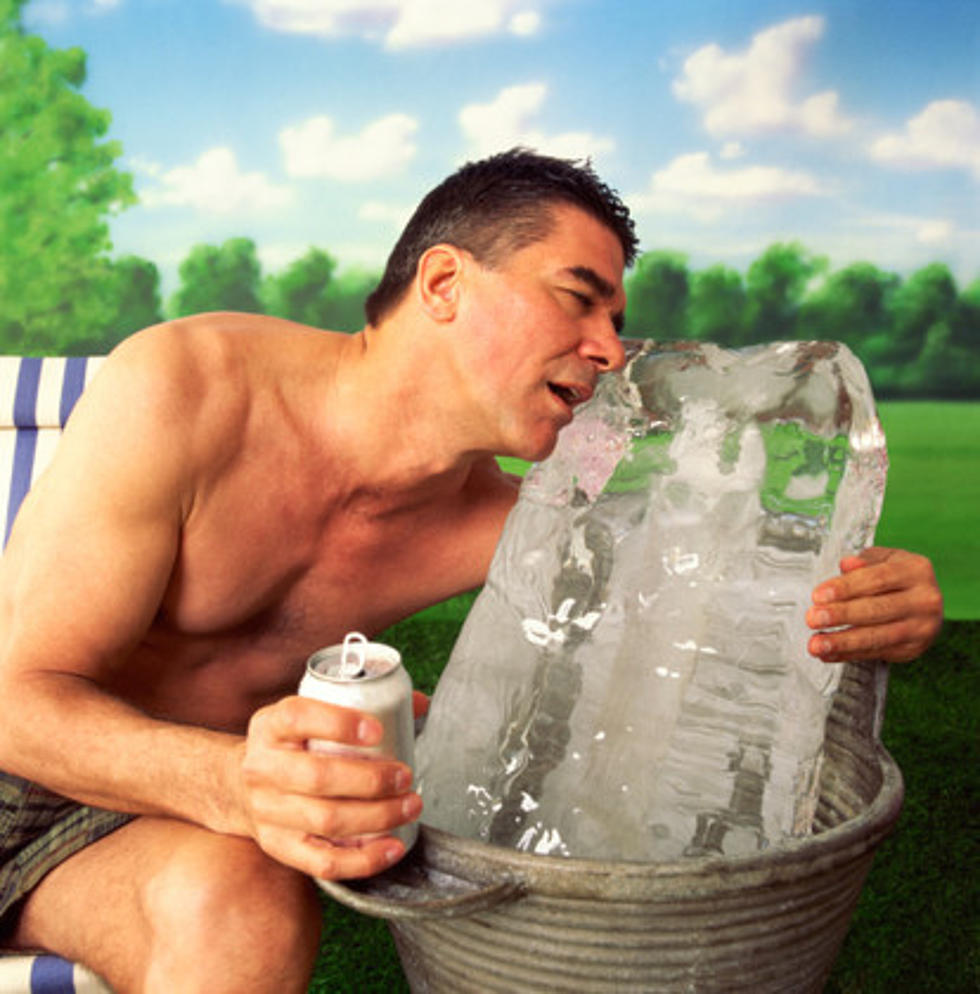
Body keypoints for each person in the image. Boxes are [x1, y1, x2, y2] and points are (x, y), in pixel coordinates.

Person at [0, 149, 942, 993]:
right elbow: (13, 698)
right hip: (40, 760)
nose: (611, 349)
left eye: (617, 319)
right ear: (444, 282)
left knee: (247, 907)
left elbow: (733, 619)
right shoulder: (190, 387)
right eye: (579, 297)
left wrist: (879, 605)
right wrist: (237, 784)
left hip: (119, 831)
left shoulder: (517, 524)